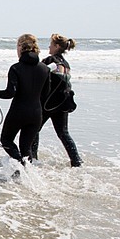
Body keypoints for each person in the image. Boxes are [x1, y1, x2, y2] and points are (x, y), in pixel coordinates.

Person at [0, 33, 50, 166]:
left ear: (21, 47)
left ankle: (20, 165)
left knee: (6, 140)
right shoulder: (45, 69)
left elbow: (9, 93)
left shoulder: (15, 68)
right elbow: (45, 94)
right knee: (26, 148)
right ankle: (27, 174)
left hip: (18, 112)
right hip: (36, 114)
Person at [31, 34, 82, 166]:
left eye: (51, 44)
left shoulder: (50, 60)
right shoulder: (66, 64)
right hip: (63, 102)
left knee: (34, 129)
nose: (49, 46)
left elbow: (37, 75)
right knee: (63, 133)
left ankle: (33, 159)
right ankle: (76, 161)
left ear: (57, 46)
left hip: (48, 103)